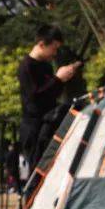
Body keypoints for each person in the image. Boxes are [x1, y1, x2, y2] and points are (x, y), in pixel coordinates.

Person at [17, 25, 79, 171]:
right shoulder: (26, 67)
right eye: (54, 48)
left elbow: (51, 94)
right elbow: (35, 97)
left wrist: (63, 79)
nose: (55, 53)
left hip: (48, 125)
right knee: (37, 170)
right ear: (41, 44)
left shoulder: (46, 66)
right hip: (34, 129)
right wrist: (58, 79)